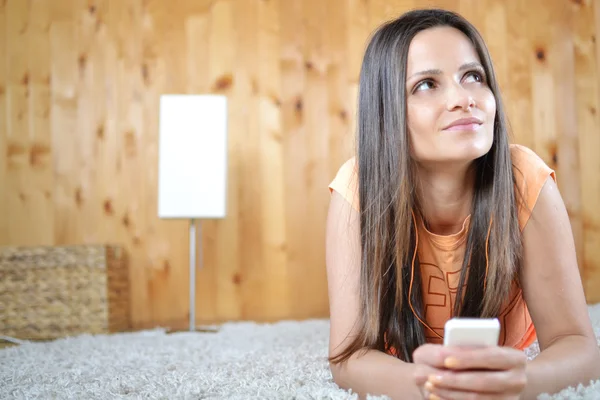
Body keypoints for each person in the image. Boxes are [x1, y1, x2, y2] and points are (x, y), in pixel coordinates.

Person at [325, 8, 600, 400]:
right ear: (387, 113)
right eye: (426, 85)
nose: (463, 99)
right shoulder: (357, 190)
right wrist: (434, 388)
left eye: (473, 76)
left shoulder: (525, 178)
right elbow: (348, 357)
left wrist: (521, 384)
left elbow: (578, 345)